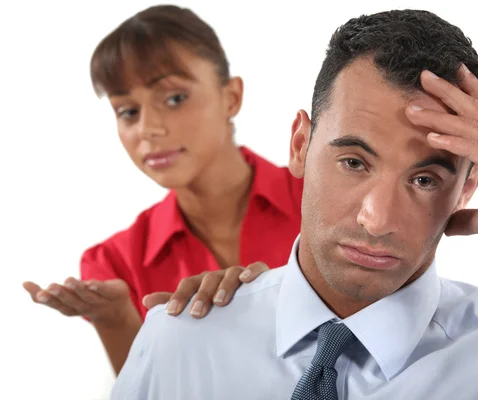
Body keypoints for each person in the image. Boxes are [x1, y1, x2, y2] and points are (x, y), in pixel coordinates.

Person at [112, 9, 478, 399]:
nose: (377, 218)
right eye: (354, 162)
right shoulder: (179, 342)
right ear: (300, 145)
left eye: (425, 178)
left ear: (469, 187)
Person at [21, 5, 302, 375]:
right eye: (128, 111)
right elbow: (149, 390)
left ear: (231, 97)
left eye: (174, 98)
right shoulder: (114, 264)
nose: (147, 129)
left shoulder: (320, 197)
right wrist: (115, 318)